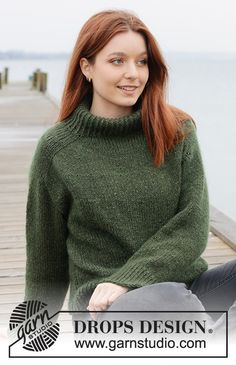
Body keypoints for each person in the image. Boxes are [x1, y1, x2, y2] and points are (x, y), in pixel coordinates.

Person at [24, 9, 236, 329]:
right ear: (87, 67)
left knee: (172, 297)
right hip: (104, 311)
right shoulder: (57, 150)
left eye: (142, 61)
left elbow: (192, 226)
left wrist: (129, 279)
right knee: (164, 299)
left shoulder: (177, 130)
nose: (133, 74)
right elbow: (45, 261)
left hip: (186, 292)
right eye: (117, 61)